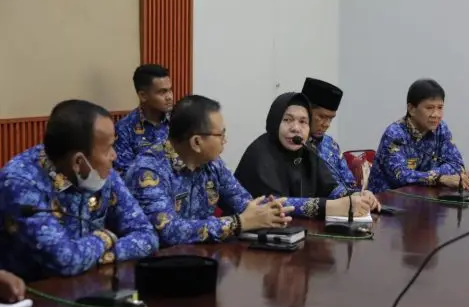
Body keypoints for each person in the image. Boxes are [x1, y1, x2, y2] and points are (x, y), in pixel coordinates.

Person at [0, 100, 159, 281]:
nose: (114, 156)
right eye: (108, 148)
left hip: (91, 284)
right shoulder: (20, 182)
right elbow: (64, 260)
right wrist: (105, 238)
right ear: (78, 162)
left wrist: (109, 254)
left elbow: (147, 235)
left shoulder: (100, 172)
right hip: (33, 292)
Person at [125, 95, 293, 247]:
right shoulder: (148, 171)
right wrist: (238, 223)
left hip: (202, 259)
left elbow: (243, 204)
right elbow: (170, 231)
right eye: (221, 135)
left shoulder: (212, 164)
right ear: (196, 142)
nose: (225, 141)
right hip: (156, 265)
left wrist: (270, 211)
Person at [234, 92, 376, 219]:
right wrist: (327, 207)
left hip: (297, 231)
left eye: (303, 122)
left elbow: (330, 187)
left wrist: (356, 196)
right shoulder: (259, 153)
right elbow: (271, 204)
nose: (296, 128)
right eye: (287, 120)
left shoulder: (307, 150)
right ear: (275, 121)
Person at [368, 78, 469, 194]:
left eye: (440, 108)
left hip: (425, 197)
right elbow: (400, 176)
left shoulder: (441, 129)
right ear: (411, 109)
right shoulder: (395, 134)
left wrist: (435, 177)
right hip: (388, 200)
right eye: (429, 108)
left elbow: (457, 165)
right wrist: (438, 178)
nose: (436, 115)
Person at [114, 64, 173, 174]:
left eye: (170, 90)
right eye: (162, 92)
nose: (169, 97)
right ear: (143, 95)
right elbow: (124, 173)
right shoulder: (124, 128)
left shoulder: (179, 120)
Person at [303, 77, 358, 190]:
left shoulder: (331, 144)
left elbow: (349, 182)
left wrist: (359, 195)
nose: (327, 124)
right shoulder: (294, 146)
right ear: (305, 111)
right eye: (322, 117)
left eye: (331, 119)